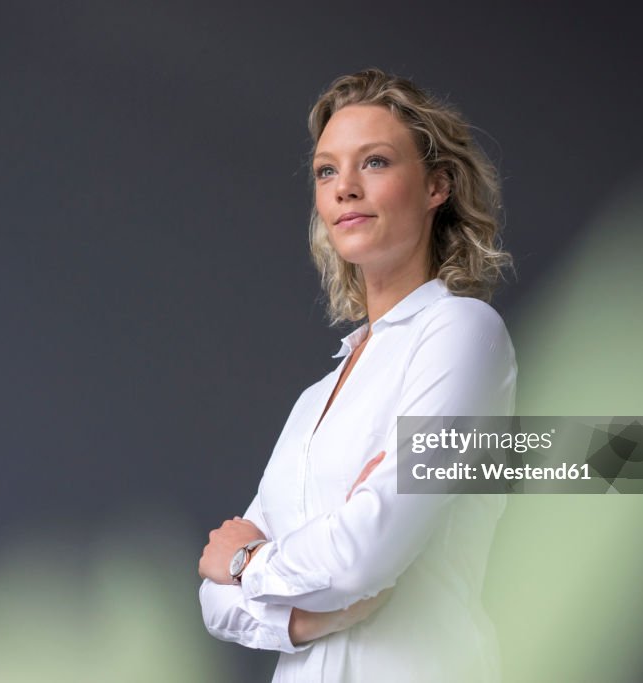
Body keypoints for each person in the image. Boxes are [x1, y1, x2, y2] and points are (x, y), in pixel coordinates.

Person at [198, 68, 517, 682]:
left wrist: (247, 562)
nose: (344, 187)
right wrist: (300, 621)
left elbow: (365, 556)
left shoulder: (460, 333)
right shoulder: (316, 399)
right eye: (326, 170)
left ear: (436, 186)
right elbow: (212, 602)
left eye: (373, 162)